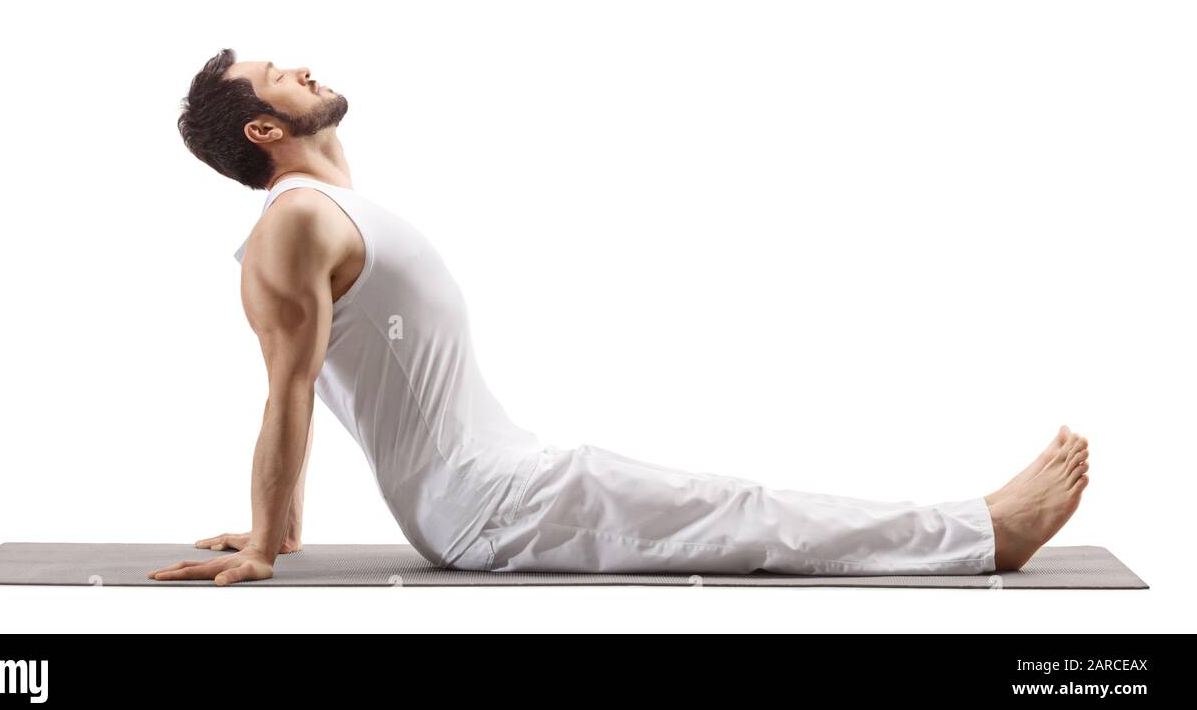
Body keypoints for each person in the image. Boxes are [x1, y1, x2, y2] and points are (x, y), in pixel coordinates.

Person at [149, 49, 1090, 586]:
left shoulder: (328, 216)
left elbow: (324, 380)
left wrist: (284, 524)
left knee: (738, 507)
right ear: (263, 131)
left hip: (502, 485)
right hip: (492, 505)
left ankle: (972, 531)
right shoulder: (296, 222)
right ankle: (983, 535)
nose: (303, 66)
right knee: (744, 514)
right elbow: (291, 389)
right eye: (278, 75)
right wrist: (267, 546)